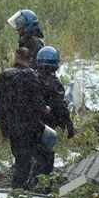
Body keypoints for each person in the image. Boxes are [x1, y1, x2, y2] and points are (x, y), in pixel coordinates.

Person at [0, 47, 48, 189]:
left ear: (15, 57)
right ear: (30, 60)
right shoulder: (32, 76)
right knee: (30, 158)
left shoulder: (5, 75)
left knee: (20, 156)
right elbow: (38, 103)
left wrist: (2, 123)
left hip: (12, 124)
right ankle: (25, 187)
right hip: (30, 125)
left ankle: (20, 187)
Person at [33, 45, 74, 178]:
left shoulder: (31, 77)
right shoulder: (54, 83)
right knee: (45, 154)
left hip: (30, 122)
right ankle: (42, 181)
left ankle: (32, 179)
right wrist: (68, 122)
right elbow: (60, 104)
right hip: (47, 123)